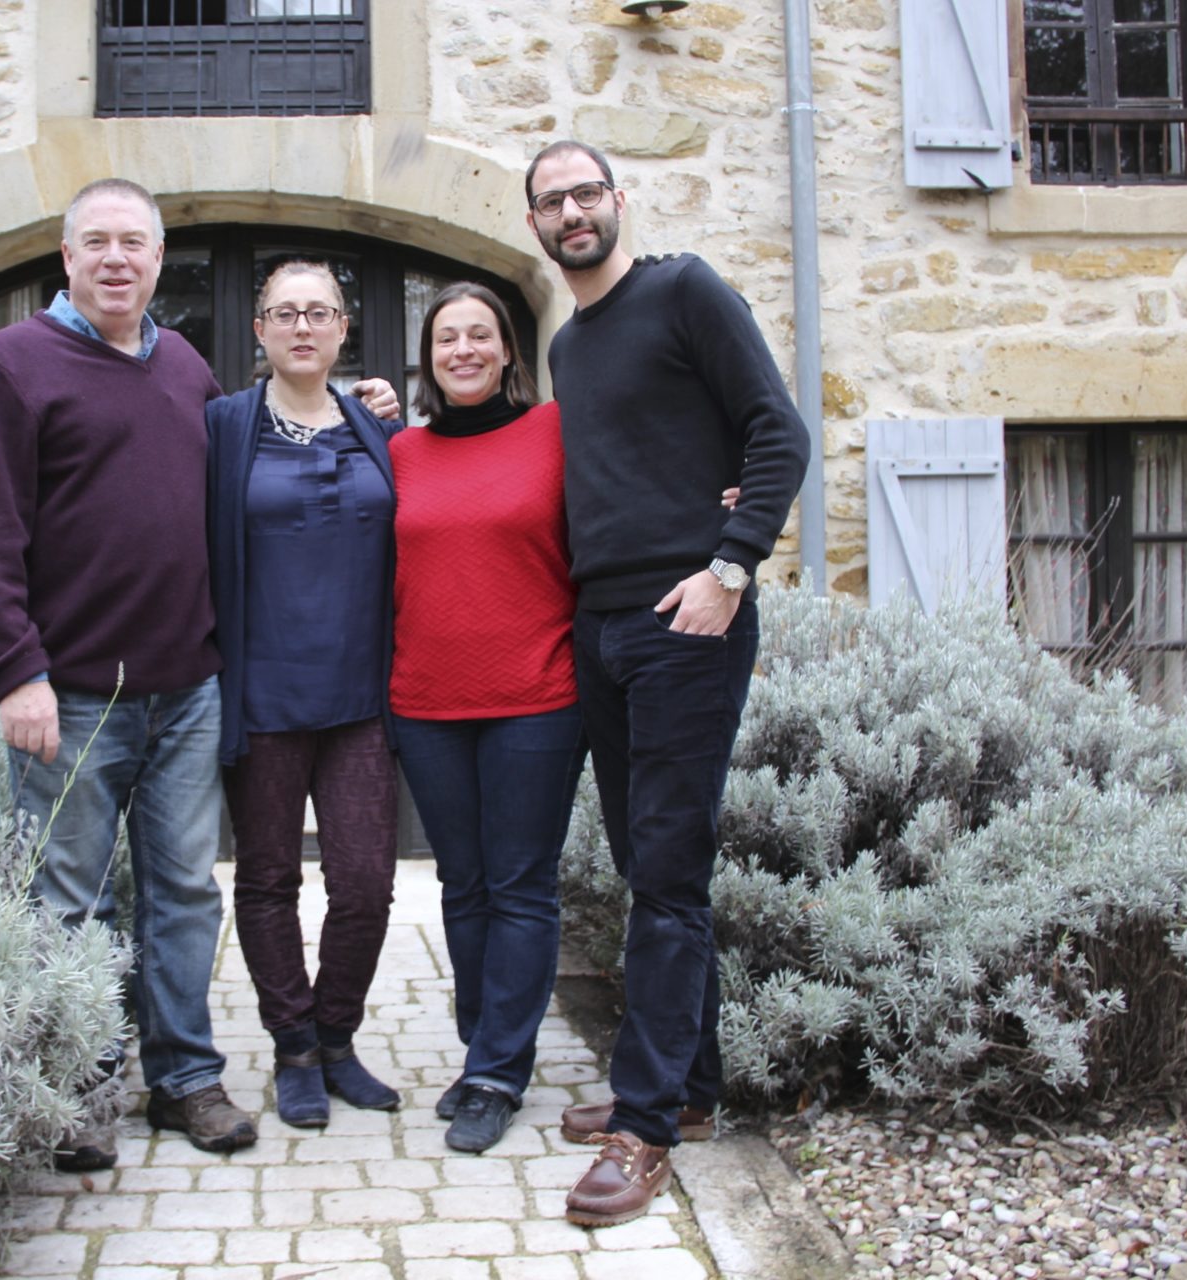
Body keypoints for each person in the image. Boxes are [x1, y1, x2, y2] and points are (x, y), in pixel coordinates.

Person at [0, 179, 398, 1172]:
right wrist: (12, 670)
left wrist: (367, 409)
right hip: (68, 692)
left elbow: (276, 427)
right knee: (72, 901)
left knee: (185, 891)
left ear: (156, 261)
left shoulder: (183, 366)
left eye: (134, 244)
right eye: (96, 241)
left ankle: (183, 1074)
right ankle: (80, 1086)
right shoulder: (6, 365)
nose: (116, 259)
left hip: (189, 685)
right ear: (66, 258)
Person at [522, 141, 811, 1227]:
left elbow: (779, 431)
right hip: (603, 628)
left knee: (671, 875)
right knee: (649, 862)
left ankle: (647, 1127)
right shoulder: (569, 346)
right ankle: (690, 1085)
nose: (572, 213)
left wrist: (731, 566)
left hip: (688, 621)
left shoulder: (686, 290)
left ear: (617, 201)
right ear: (539, 227)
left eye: (586, 193)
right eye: (551, 202)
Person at [388, 281, 587, 1155]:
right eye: (446, 338)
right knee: (462, 885)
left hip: (537, 697)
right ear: (428, 357)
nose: (463, 349)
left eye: (480, 335)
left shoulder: (556, 432)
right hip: (424, 700)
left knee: (520, 886)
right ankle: (485, 1051)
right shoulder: (397, 450)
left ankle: (499, 1072)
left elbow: (633, 493)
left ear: (509, 350)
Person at [205, 260, 403, 1129]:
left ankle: (337, 1034)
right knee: (270, 878)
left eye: (319, 312)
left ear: (343, 327)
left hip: (362, 696)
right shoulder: (221, 427)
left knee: (364, 883)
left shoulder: (377, 427)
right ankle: (292, 1048)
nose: (302, 327)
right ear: (259, 330)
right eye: (284, 313)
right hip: (265, 693)